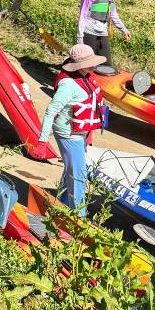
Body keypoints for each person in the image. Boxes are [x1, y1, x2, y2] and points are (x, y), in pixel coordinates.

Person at [38, 43, 107, 214]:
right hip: (68, 134)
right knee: (79, 177)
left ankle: (59, 205)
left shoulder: (86, 76)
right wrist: (42, 140)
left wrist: (88, 135)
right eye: (90, 62)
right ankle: (78, 217)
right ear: (80, 65)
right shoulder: (68, 85)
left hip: (80, 134)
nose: (94, 64)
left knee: (72, 169)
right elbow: (50, 112)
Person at [76, 0, 130, 64]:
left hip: (103, 32)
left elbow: (113, 14)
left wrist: (124, 29)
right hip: (89, 32)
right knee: (89, 64)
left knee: (106, 64)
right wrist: (80, 37)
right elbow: (82, 15)